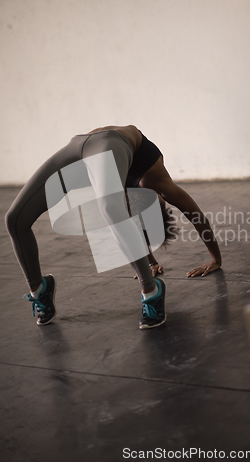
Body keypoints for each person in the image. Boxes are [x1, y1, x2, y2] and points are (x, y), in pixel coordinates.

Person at [5, 125, 222, 329]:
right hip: (96, 143)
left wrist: (150, 263)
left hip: (90, 154)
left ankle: (151, 291)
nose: (132, 207)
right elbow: (196, 215)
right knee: (14, 219)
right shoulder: (159, 183)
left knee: (111, 209)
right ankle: (38, 288)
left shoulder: (130, 196)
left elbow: (128, 225)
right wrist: (215, 259)